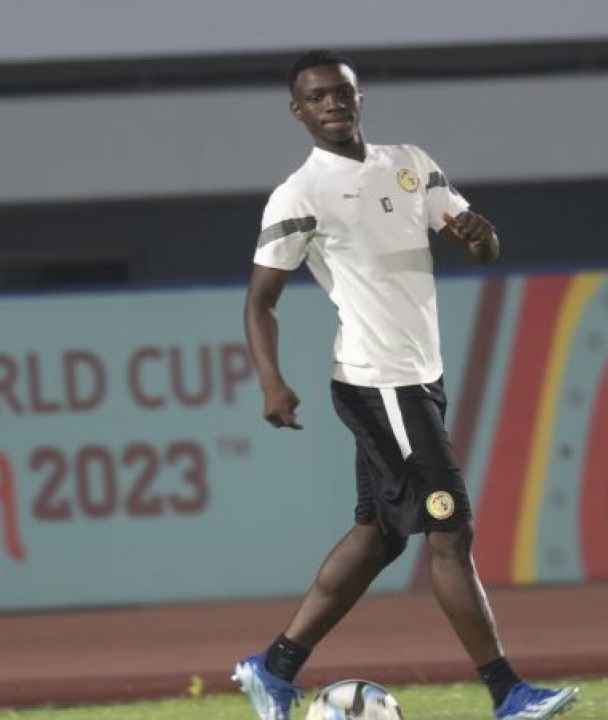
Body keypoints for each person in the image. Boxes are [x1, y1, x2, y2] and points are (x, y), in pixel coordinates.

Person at [231, 50, 580, 720]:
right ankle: (508, 693)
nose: (333, 104)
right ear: (297, 110)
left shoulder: (410, 163)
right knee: (450, 533)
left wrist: (481, 238)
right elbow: (259, 302)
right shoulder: (299, 195)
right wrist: (272, 382)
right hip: (379, 382)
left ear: (360, 98)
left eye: (343, 92)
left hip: (419, 378)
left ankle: (274, 670)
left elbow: (477, 244)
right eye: (318, 96)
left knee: (380, 535)